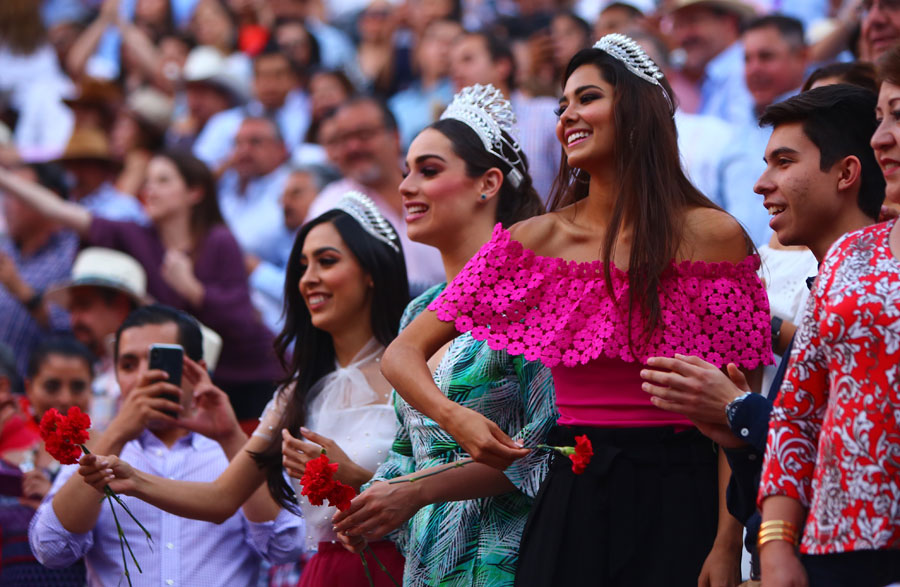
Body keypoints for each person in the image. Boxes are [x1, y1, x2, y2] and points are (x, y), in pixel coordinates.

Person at [380, 34, 773, 586]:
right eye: (562, 104)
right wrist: (458, 419)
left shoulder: (715, 238)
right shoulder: (533, 242)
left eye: (586, 98)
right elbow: (401, 355)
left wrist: (727, 546)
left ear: (636, 111)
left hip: (683, 495)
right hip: (573, 496)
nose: (567, 116)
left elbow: (738, 409)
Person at [74, 193, 410, 587]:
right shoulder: (297, 393)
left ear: (372, 271)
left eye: (328, 261)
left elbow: (442, 488)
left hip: (404, 569)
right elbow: (221, 499)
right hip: (327, 572)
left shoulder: (413, 373)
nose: (309, 278)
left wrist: (353, 475)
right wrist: (132, 478)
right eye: (303, 266)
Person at [639, 84, 885, 581]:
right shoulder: (834, 279)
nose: (760, 183)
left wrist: (739, 409)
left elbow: (861, 448)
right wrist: (733, 433)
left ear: (846, 173)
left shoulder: (879, 291)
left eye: (783, 162)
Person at [332, 84, 555, 585]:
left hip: (510, 559)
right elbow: (409, 451)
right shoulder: (419, 310)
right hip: (429, 563)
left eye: (429, 171)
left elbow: (544, 450)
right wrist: (372, 506)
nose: (407, 186)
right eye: (407, 170)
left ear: (488, 183)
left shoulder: (532, 297)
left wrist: (417, 490)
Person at [756, 46, 900, 587]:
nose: (882, 136)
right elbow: (797, 413)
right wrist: (775, 548)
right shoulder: (850, 255)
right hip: (839, 547)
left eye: (899, 115)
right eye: (880, 117)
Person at [0, 150, 282, 426]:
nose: (150, 189)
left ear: (195, 192)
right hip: (189, 383)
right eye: (147, 181)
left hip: (252, 378)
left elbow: (242, 320)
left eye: (163, 181)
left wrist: (193, 289)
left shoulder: (219, 240)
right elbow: (58, 210)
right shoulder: (136, 235)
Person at [29, 304, 302, 586]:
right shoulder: (96, 447)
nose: (142, 378)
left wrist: (231, 438)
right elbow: (50, 549)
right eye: (128, 365)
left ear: (199, 371)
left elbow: (285, 546)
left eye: (159, 363)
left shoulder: (233, 449)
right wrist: (118, 433)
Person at [307, 97, 445, 294]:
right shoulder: (330, 206)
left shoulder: (437, 184)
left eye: (364, 135)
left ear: (395, 137)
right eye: (344, 139)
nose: (353, 147)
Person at [0, 336, 94, 586]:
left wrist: (59, 504)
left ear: (92, 389)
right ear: (29, 388)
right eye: (52, 386)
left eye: (77, 387)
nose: (64, 399)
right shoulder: (6, 464)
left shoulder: (101, 465)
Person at [718, 15, 809, 246]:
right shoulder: (735, 138)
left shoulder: (820, 128)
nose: (754, 69)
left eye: (766, 57)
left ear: (802, 57)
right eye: (747, 59)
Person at [449, 31, 560, 202]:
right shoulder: (449, 131)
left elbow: (574, 187)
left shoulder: (547, 114)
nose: (456, 71)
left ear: (502, 66)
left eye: (467, 59)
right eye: (453, 64)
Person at [0, 162, 78, 377]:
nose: (6, 204)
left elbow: (74, 331)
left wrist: (21, 291)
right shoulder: (5, 247)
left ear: (48, 198)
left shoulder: (73, 253)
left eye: (16, 194)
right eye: (5, 195)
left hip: (38, 395)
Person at [668, 0, 757, 125]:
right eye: (678, 25)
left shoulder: (745, 71)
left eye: (692, 21)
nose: (682, 36)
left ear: (728, 23)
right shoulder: (716, 75)